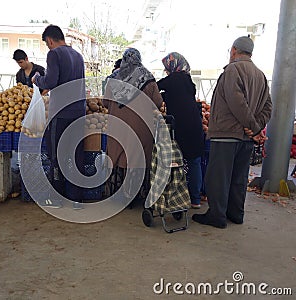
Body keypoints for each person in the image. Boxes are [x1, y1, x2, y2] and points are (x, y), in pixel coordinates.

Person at [192, 36, 272, 228]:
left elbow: (237, 103)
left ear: (234, 50)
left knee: (218, 177)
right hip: (245, 139)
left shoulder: (232, 71)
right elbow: (268, 107)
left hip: (226, 134)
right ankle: (236, 213)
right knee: (238, 178)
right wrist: (254, 128)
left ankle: (217, 216)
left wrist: (251, 125)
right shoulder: (260, 75)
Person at [31, 24, 86, 208]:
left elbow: (51, 81)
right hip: (79, 113)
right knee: (76, 155)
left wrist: (37, 78)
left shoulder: (54, 54)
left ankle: (56, 198)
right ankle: (77, 199)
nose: (49, 47)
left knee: (56, 155)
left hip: (61, 114)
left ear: (50, 40)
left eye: (47, 44)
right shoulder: (78, 56)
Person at [104, 48, 164, 204]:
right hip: (141, 128)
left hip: (117, 129)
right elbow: (157, 102)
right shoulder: (147, 77)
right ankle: (137, 191)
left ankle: (118, 191)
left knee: (119, 154)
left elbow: (105, 102)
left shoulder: (114, 78)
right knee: (138, 156)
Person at [157, 52, 205, 209]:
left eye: (166, 68)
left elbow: (155, 88)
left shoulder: (173, 79)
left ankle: (177, 196)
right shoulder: (188, 81)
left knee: (176, 162)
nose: (166, 71)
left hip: (181, 127)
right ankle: (195, 199)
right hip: (195, 125)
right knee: (194, 162)